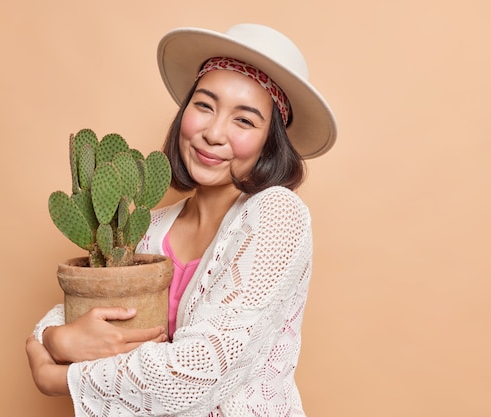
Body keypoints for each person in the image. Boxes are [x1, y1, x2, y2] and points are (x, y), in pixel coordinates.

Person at [26, 23, 337, 416]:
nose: (213, 133)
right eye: (204, 106)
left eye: (244, 121)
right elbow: (79, 307)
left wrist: (57, 377)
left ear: (269, 143)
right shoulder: (146, 229)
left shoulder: (276, 214)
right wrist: (52, 338)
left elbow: (198, 372)